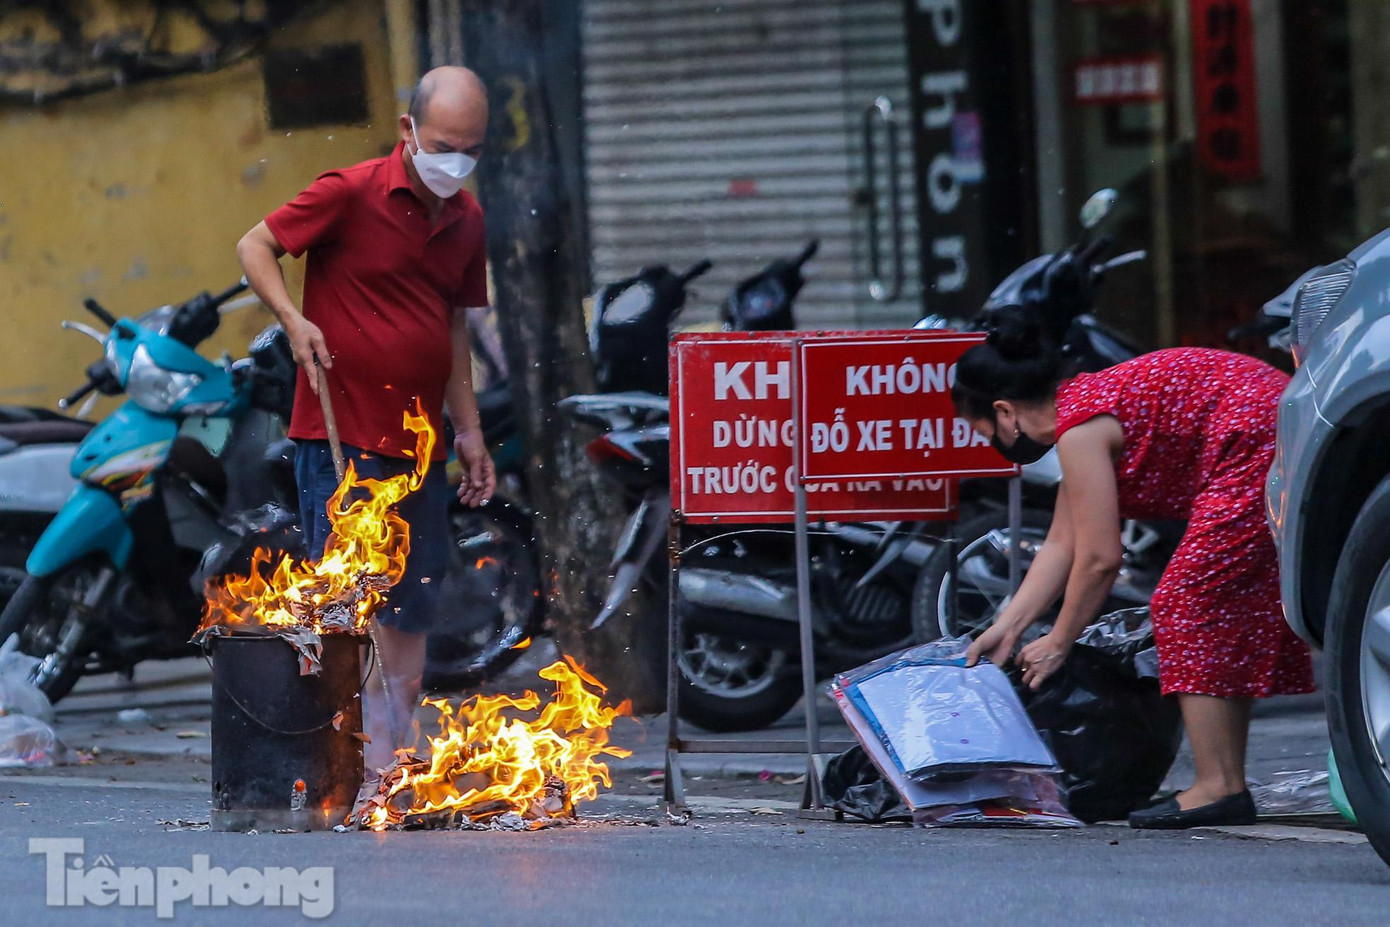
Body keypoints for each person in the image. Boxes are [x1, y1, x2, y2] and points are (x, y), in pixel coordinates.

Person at [955, 307, 1314, 829]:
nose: (989, 442)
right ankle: (1224, 781)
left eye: (981, 428)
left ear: (1005, 413)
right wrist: (1005, 629)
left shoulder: (1079, 428)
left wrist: (1058, 641)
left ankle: (1219, 785)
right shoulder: (1081, 411)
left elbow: (1101, 559)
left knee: (1184, 603)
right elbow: (1062, 544)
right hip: (1266, 424)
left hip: (1253, 439)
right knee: (1213, 608)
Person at [235, 67, 497, 781]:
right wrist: (293, 321)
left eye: (471, 149)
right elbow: (254, 247)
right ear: (408, 132)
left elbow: (452, 329)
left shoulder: (466, 219)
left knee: (413, 604)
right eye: (445, 144)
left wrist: (468, 430)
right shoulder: (349, 192)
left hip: (421, 449)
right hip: (341, 437)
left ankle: (393, 757)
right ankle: (334, 763)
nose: (456, 162)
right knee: (352, 601)